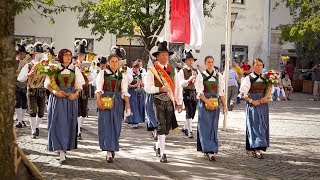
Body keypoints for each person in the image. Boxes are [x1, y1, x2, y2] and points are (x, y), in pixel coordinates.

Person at [145, 41, 183, 163]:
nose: (164, 57)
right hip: (157, 100)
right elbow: (147, 87)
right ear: (157, 56)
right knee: (161, 125)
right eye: (162, 55)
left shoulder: (173, 70)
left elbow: (177, 87)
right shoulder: (152, 70)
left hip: (170, 101)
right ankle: (163, 153)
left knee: (167, 128)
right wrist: (159, 89)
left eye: (166, 55)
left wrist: (179, 101)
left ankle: (157, 145)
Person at [45, 49, 85, 163]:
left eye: (70, 55)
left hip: (71, 99)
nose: (68, 57)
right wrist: (55, 92)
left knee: (69, 124)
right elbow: (47, 84)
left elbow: (79, 85)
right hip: (58, 98)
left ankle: (65, 148)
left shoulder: (75, 68)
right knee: (59, 123)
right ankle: (61, 151)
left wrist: (75, 94)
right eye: (65, 55)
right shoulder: (54, 68)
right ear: (61, 56)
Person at [95, 54, 131, 163]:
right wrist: (98, 100)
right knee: (106, 125)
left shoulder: (122, 75)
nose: (114, 63)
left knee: (116, 126)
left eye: (116, 61)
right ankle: (109, 152)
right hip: (105, 101)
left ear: (119, 63)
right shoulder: (102, 73)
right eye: (112, 61)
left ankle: (112, 146)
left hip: (118, 103)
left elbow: (124, 92)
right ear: (108, 63)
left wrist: (128, 106)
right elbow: (99, 88)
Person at [195, 56, 226, 161]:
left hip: (215, 103)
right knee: (205, 126)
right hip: (204, 103)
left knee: (213, 126)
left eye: (212, 62)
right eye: (208, 62)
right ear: (205, 64)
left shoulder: (219, 76)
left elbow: (221, 92)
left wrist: (225, 106)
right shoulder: (201, 75)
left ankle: (211, 148)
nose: (210, 64)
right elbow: (199, 92)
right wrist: (208, 102)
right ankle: (208, 149)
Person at [239, 58, 270, 159]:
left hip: (263, 104)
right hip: (253, 103)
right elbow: (243, 94)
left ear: (263, 66)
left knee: (263, 124)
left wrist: (267, 98)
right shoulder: (248, 78)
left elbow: (269, 92)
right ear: (253, 66)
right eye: (256, 65)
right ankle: (256, 147)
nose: (258, 67)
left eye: (260, 65)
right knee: (254, 124)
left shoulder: (266, 78)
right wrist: (252, 101)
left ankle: (260, 146)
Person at [17, 42, 47, 139]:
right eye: (37, 53)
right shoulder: (28, 65)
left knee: (41, 112)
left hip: (42, 90)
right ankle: (33, 130)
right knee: (32, 110)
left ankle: (36, 126)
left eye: (41, 54)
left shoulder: (45, 66)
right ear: (33, 55)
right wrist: (28, 75)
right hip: (31, 90)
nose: (39, 55)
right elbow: (20, 78)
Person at [74, 39, 95, 140]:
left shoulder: (88, 65)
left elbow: (92, 79)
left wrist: (86, 71)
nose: (81, 56)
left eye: (82, 55)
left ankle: (80, 127)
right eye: (79, 55)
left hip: (85, 89)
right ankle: (78, 131)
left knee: (83, 111)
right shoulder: (74, 64)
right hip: (76, 89)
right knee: (77, 110)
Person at [178, 49, 198, 138]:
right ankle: (190, 131)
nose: (190, 61)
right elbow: (181, 83)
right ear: (185, 61)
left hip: (194, 93)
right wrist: (189, 79)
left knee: (193, 113)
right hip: (186, 92)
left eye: (191, 60)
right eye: (189, 60)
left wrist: (196, 78)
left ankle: (185, 127)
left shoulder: (195, 71)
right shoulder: (182, 71)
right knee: (189, 111)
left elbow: (199, 83)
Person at [126, 62, 145, 128]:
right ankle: (133, 121)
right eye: (135, 68)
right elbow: (127, 85)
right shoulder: (130, 75)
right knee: (133, 106)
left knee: (139, 106)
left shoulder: (141, 75)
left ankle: (138, 120)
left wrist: (141, 83)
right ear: (133, 68)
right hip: (132, 92)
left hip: (139, 92)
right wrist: (134, 85)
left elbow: (144, 85)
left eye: (137, 68)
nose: (136, 69)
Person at [15, 40, 29, 128]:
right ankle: (19, 121)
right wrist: (17, 72)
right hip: (16, 84)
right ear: (18, 55)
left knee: (25, 104)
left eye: (23, 54)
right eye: (20, 54)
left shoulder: (28, 63)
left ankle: (22, 119)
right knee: (18, 102)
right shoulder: (14, 63)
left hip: (26, 85)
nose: (22, 55)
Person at [145, 60, 159, 140]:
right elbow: (148, 86)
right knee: (151, 111)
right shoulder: (150, 72)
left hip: (161, 94)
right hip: (151, 93)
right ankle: (155, 128)